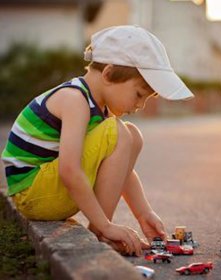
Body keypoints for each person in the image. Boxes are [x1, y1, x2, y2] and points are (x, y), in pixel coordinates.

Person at [0, 25, 194, 256]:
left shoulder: (98, 109)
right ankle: (101, 232)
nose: (139, 105)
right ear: (109, 73)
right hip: (33, 194)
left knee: (132, 135)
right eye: (139, 95)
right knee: (122, 132)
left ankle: (101, 230)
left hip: (48, 193)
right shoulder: (74, 99)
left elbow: (121, 170)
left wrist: (144, 214)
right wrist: (106, 225)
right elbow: (69, 170)